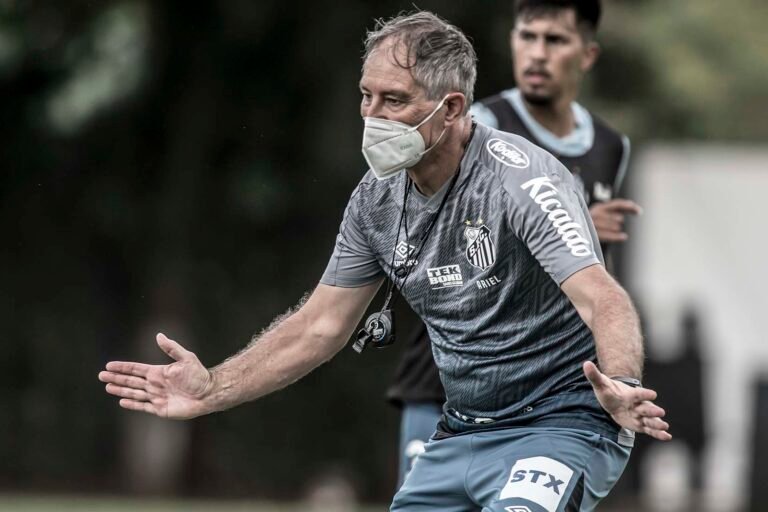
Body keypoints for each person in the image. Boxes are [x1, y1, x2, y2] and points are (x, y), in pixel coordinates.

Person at [99, 10, 670, 511]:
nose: (372, 116)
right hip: (461, 432)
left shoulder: (522, 181)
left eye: (394, 100)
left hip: (561, 424)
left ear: (451, 108)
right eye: (366, 96)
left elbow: (603, 297)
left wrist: (620, 381)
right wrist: (211, 388)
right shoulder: (374, 198)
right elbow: (319, 326)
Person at [387, 0, 644, 487]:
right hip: (441, 380)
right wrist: (573, 219)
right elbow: (437, 234)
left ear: (587, 55)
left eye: (555, 40)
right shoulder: (477, 123)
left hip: (542, 393)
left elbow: (587, 276)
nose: (537, 54)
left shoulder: (611, 146)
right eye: (527, 37)